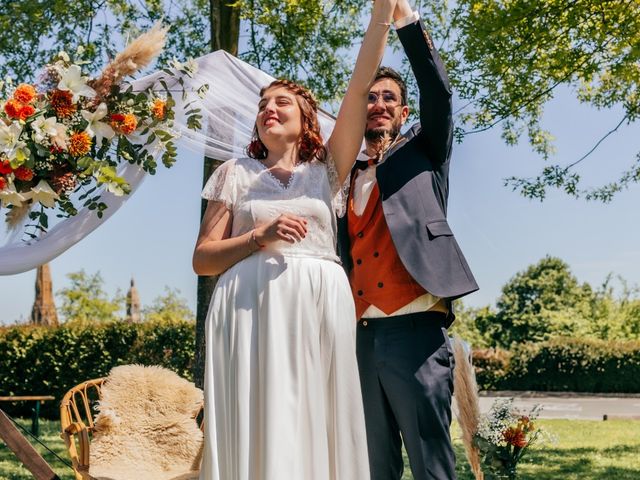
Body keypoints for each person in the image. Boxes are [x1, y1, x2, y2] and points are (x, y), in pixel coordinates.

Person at [192, 1, 398, 479]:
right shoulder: (233, 173)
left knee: (316, 412)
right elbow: (203, 259)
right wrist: (257, 237)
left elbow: (358, 87)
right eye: (262, 104)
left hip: (319, 304)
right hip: (248, 310)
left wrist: (382, 16)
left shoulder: (326, 169)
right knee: (259, 415)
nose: (269, 108)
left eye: (281, 101)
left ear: (307, 118)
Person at [336, 1, 479, 479]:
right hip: (361, 338)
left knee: (430, 467)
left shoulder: (426, 151)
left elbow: (437, 93)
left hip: (416, 332)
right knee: (374, 467)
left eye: (388, 99)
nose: (377, 105)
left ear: (401, 111)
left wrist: (405, 21)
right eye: (370, 97)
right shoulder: (342, 174)